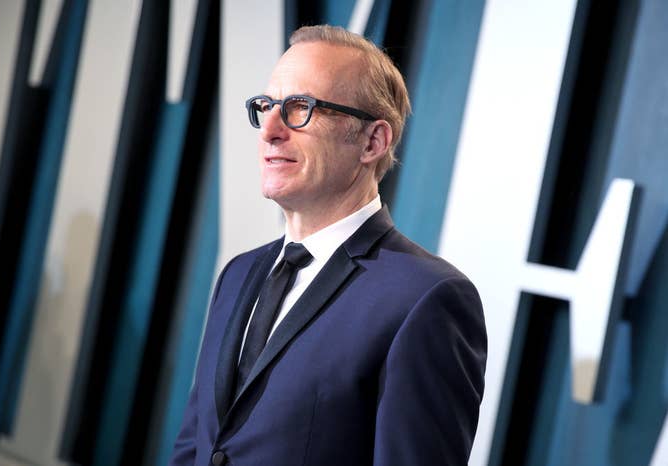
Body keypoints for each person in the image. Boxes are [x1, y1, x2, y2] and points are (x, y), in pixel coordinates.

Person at [170, 25, 486, 466]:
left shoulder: (425, 298)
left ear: (372, 141)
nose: (270, 131)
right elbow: (196, 447)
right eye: (266, 107)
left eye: (301, 108)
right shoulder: (238, 273)